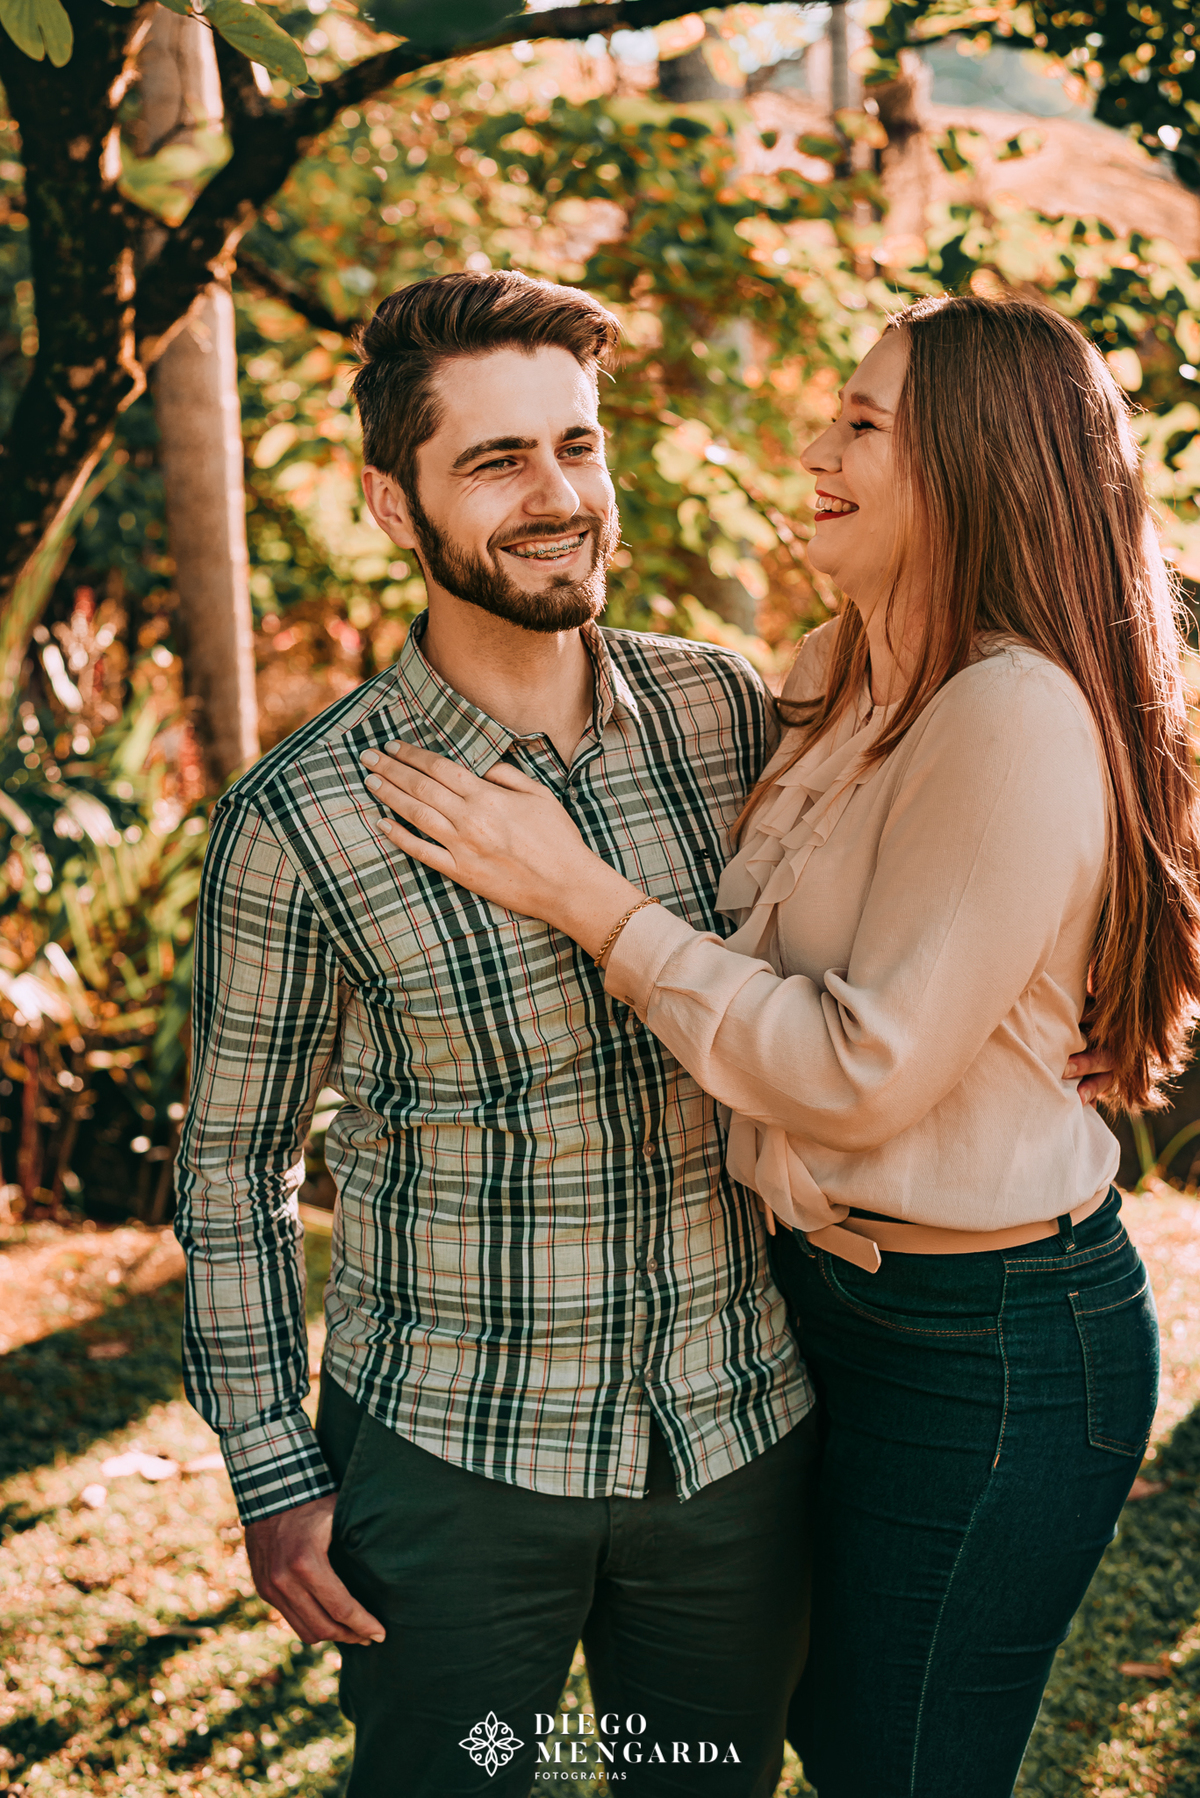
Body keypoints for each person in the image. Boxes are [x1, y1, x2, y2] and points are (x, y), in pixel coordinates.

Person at [359, 292, 1199, 1797]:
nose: (815, 447)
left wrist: (577, 893)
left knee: (903, 1756)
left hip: (993, 1345)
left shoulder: (1011, 707)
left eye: (864, 425)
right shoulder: (843, 669)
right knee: (816, 1719)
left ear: (979, 463)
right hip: (825, 1310)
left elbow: (857, 1070)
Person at [174, 269, 823, 1798]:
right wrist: (274, 1469)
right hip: (454, 1462)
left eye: (578, 446)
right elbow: (230, 1168)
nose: (559, 496)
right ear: (395, 508)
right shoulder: (303, 816)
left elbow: (860, 977)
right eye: (497, 459)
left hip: (740, 1438)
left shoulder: (725, 713)